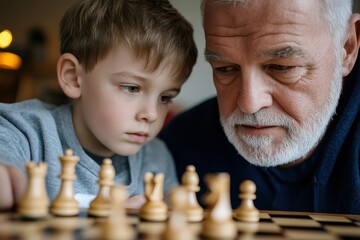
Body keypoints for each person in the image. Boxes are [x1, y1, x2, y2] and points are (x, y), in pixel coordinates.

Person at [160, 0, 360, 214]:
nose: (249, 104)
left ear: (346, 47)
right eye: (225, 69)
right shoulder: (177, 149)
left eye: (281, 67)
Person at [0, 0, 197, 210]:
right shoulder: (25, 131)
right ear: (74, 77)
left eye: (165, 98)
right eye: (131, 88)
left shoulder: (157, 159)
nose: (151, 114)